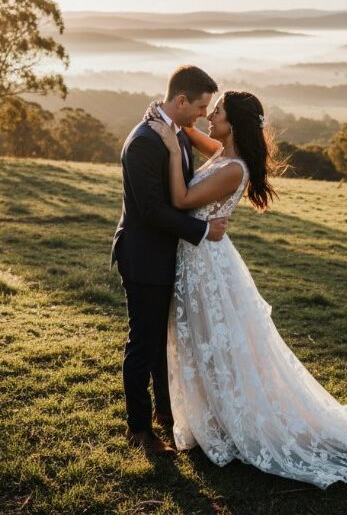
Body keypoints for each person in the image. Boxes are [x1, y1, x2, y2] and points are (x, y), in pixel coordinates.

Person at [146, 90, 347, 488]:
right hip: (199, 258)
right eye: (209, 112)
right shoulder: (223, 150)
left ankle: (234, 420)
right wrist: (179, 124)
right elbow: (205, 140)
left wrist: (166, 143)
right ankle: (211, 415)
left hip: (207, 267)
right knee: (205, 342)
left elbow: (180, 199)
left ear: (233, 124)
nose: (208, 118)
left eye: (216, 114)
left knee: (218, 343)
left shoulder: (234, 168)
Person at [111, 65, 228, 456]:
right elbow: (151, 211)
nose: (201, 115)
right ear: (180, 101)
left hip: (164, 256)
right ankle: (139, 429)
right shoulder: (146, 140)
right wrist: (201, 231)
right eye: (199, 106)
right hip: (143, 257)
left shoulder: (173, 132)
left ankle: (165, 411)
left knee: (164, 340)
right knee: (143, 343)